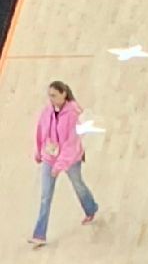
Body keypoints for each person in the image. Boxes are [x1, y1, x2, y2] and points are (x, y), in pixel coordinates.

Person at [30, 79, 99, 245]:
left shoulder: (73, 115)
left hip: (71, 159)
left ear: (64, 94)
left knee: (78, 185)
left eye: (54, 95)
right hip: (49, 157)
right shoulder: (47, 111)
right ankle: (39, 235)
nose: (51, 99)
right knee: (45, 196)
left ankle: (90, 208)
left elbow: (71, 145)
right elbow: (41, 131)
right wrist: (39, 152)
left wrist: (59, 165)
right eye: (49, 96)